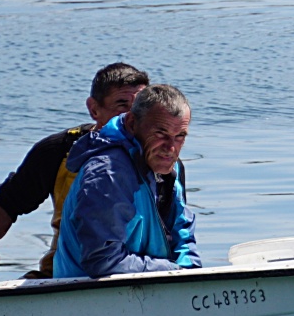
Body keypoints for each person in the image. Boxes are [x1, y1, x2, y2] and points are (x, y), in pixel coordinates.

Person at [0, 62, 148, 280]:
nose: (133, 117)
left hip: (140, 272)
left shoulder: (161, 155)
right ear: (94, 109)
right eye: (122, 105)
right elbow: (7, 204)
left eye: (140, 107)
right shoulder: (58, 150)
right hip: (61, 276)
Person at [53, 83, 200, 278]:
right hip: (88, 295)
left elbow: (183, 235)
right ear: (132, 123)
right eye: (160, 133)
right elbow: (103, 261)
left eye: (179, 136)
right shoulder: (108, 174)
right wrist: (174, 271)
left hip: (148, 290)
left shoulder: (170, 166)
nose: (170, 148)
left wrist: (189, 272)